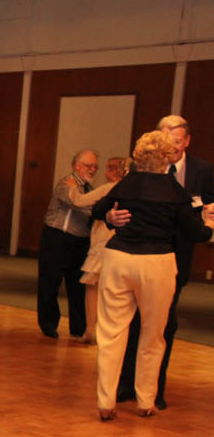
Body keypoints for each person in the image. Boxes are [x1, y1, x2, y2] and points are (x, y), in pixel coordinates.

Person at [91, 131, 214, 421]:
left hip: (118, 259)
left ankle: (105, 401)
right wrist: (209, 222)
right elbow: (194, 233)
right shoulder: (173, 191)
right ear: (167, 157)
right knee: (153, 333)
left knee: (111, 332)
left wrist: (110, 218)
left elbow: (97, 210)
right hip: (156, 262)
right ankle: (146, 400)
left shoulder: (124, 185)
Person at [64, 157, 129, 344]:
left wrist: (72, 187)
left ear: (114, 171)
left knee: (93, 288)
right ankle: (108, 331)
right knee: (114, 291)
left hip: (103, 242)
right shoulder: (131, 189)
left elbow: (79, 201)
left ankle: (92, 329)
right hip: (120, 244)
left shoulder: (109, 188)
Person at [36, 149, 99, 338]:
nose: (93, 170)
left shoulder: (91, 189)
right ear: (77, 166)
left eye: (95, 166)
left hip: (80, 242)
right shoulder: (65, 184)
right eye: (89, 166)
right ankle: (48, 325)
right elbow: (79, 204)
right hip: (57, 238)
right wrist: (100, 207)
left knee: (78, 285)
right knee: (50, 282)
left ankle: (78, 328)